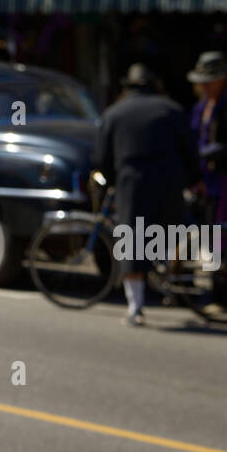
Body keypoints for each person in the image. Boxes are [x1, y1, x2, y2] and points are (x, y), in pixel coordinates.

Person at [95, 63, 199, 326]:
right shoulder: (172, 109)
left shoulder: (114, 113)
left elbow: (102, 159)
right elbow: (190, 151)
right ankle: (173, 282)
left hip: (133, 183)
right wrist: (193, 180)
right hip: (169, 181)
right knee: (169, 233)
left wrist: (110, 180)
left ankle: (136, 307)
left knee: (133, 241)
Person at [188, 50, 227, 313]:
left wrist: (212, 153)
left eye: (211, 80)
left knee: (224, 240)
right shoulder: (201, 108)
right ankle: (214, 291)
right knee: (209, 240)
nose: (206, 86)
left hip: (224, 182)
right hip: (204, 181)